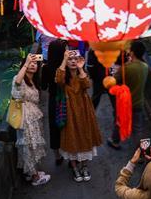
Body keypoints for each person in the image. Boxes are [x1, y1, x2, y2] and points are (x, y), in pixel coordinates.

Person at [56, 49, 103, 182]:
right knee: (71, 137)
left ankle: (84, 166)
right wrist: (64, 60)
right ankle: (75, 168)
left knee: (85, 135)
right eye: (70, 59)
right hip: (69, 111)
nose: (73, 61)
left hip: (84, 110)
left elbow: (87, 85)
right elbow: (58, 80)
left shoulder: (82, 73)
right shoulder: (63, 75)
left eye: (75, 59)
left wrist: (81, 69)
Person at [12, 54, 50, 186]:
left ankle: (32, 172)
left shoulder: (32, 81)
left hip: (32, 117)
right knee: (28, 146)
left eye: (35, 63)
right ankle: (35, 177)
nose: (33, 65)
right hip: (25, 118)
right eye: (30, 63)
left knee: (33, 145)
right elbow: (17, 82)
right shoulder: (19, 78)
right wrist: (26, 63)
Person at [107, 40, 149, 149]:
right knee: (138, 129)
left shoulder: (126, 68)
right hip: (139, 102)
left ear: (132, 52)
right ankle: (141, 151)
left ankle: (115, 141)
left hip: (126, 102)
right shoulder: (145, 67)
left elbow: (113, 81)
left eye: (130, 49)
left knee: (120, 121)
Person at [41, 39, 67, 166]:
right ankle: (71, 155)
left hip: (53, 100)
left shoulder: (46, 68)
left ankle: (57, 156)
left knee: (54, 128)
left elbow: (43, 87)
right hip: (66, 99)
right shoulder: (66, 67)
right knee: (68, 126)